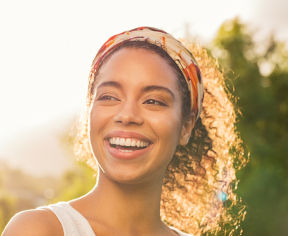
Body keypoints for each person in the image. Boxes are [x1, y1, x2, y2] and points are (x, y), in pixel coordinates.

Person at [2, 27, 246, 236]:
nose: (127, 115)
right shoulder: (40, 230)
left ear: (186, 126)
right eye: (109, 96)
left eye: (153, 101)